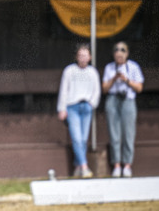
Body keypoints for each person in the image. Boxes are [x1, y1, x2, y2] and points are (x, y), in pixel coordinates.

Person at [57, 43, 101, 178]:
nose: (82, 58)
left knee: (83, 139)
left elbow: (97, 90)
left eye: (85, 55)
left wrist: (92, 104)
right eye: (80, 55)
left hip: (86, 107)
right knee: (76, 138)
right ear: (76, 57)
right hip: (72, 107)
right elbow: (64, 90)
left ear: (90, 57)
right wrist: (61, 108)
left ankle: (77, 166)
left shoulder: (92, 72)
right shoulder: (69, 71)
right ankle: (84, 166)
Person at [102, 41, 144, 177]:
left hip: (128, 99)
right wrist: (114, 78)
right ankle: (116, 164)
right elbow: (104, 88)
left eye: (122, 50)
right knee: (114, 133)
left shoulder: (133, 67)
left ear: (127, 53)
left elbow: (139, 88)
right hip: (113, 99)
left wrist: (126, 80)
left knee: (128, 133)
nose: (119, 53)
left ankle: (127, 164)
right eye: (116, 50)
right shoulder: (109, 68)